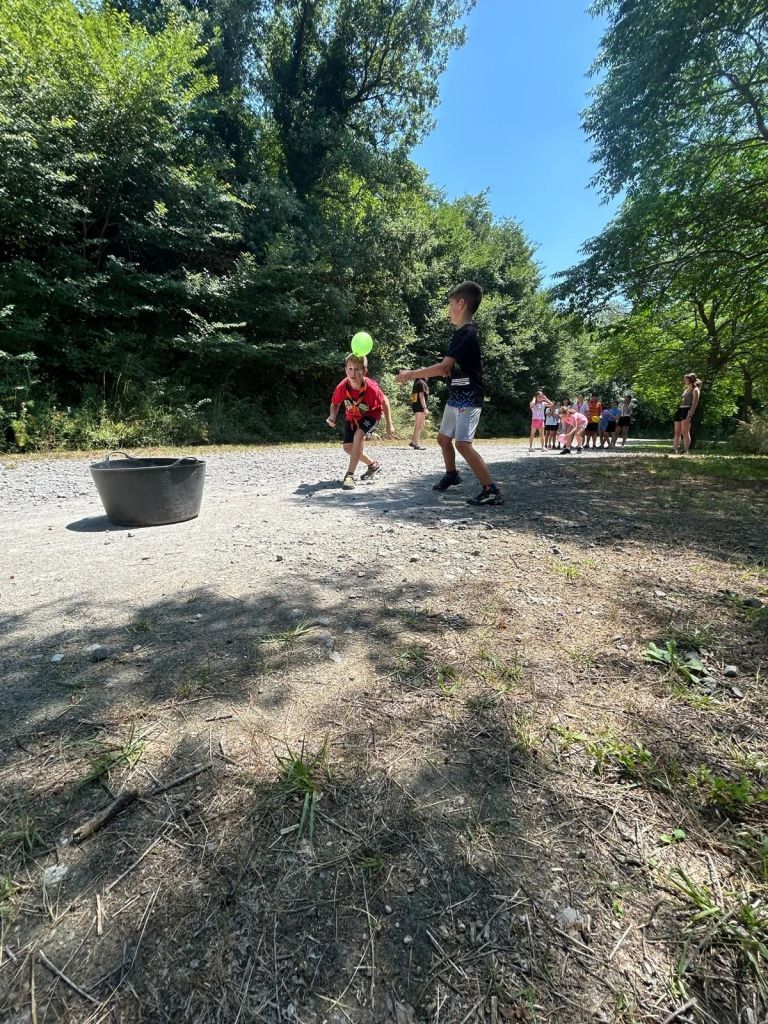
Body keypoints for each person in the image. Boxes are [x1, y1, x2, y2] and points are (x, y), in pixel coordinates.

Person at [395, 281, 503, 506]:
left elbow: (444, 366)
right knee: (443, 439)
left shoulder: (467, 332)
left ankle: (491, 490)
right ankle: (452, 474)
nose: (449, 309)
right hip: (457, 395)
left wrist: (411, 374)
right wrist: (449, 371)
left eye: (451, 304)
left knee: (463, 444)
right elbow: (451, 367)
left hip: (469, 397)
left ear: (461, 303)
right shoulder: (461, 333)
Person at [327, 354, 390, 488]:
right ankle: (373, 465)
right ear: (345, 370)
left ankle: (349, 475)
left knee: (359, 435)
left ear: (364, 371)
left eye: (357, 369)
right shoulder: (343, 386)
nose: (353, 373)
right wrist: (332, 416)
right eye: (350, 368)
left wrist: (389, 425)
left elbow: (384, 401)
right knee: (348, 447)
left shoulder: (371, 387)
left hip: (371, 415)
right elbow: (335, 403)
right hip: (352, 417)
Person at [672, 373, 701, 454]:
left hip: (687, 410)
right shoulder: (686, 390)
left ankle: (685, 450)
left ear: (690, 380)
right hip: (680, 410)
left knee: (685, 432)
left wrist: (690, 415)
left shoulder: (696, 390)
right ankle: (674, 449)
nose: (684, 381)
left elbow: (694, 404)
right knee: (677, 432)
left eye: (686, 379)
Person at [409, 378, 429, 449]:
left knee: (421, 425)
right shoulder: (421, 383)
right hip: (419, 406)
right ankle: (417, 444)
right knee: (419, 425)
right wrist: (425, 408)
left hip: (416, 405)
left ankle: (413, 441)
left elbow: (414, 397)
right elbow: (421, 396)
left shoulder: (417, 382)